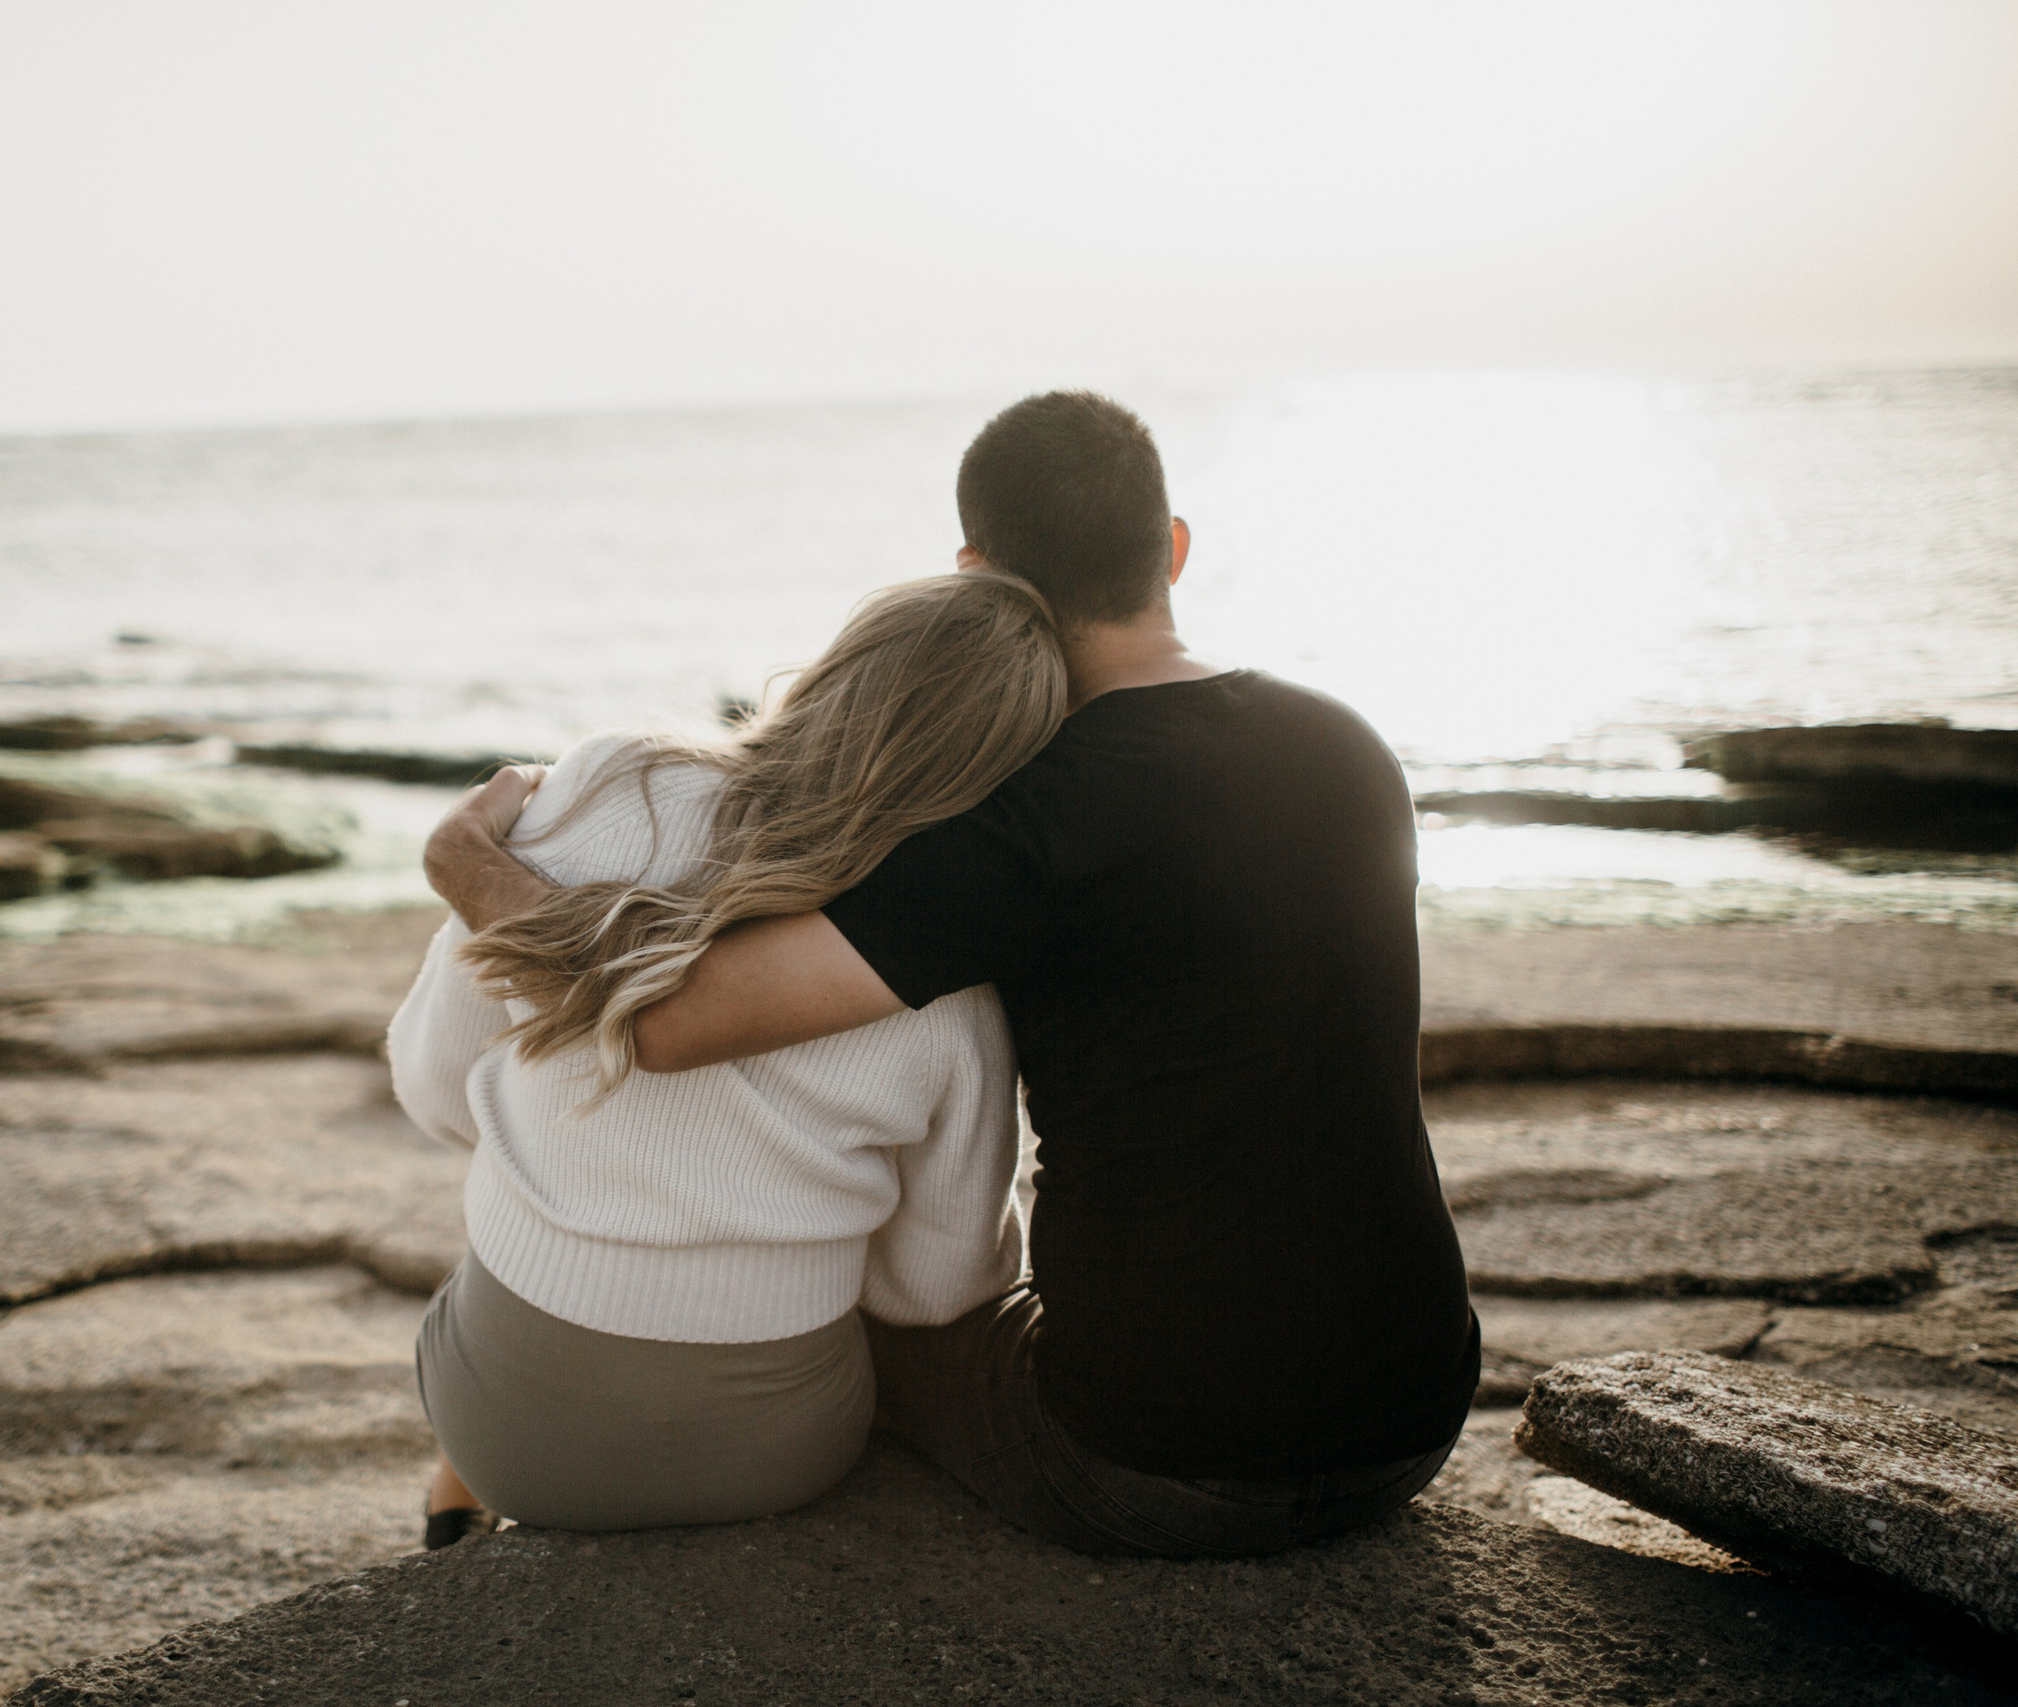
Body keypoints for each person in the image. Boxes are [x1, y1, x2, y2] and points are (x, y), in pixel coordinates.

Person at [424, 390, 1479, 1557]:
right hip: (1415, 1419)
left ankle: (479, 1467)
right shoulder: (1346, 743)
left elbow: (668, 1021)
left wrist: (466, 860)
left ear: (976, 577)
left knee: (847, 1337)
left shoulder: (1023, 822)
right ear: (1172, 546)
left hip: (1151, 1462)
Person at [388, 569, 1073, 1547]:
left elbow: (437, 1090)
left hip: (509, 1430)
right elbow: (932, 1291)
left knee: (499, 1237)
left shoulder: (612, 783)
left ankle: (459, 1488)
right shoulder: (946, 983)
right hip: (776, 1454)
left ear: (837, 672)